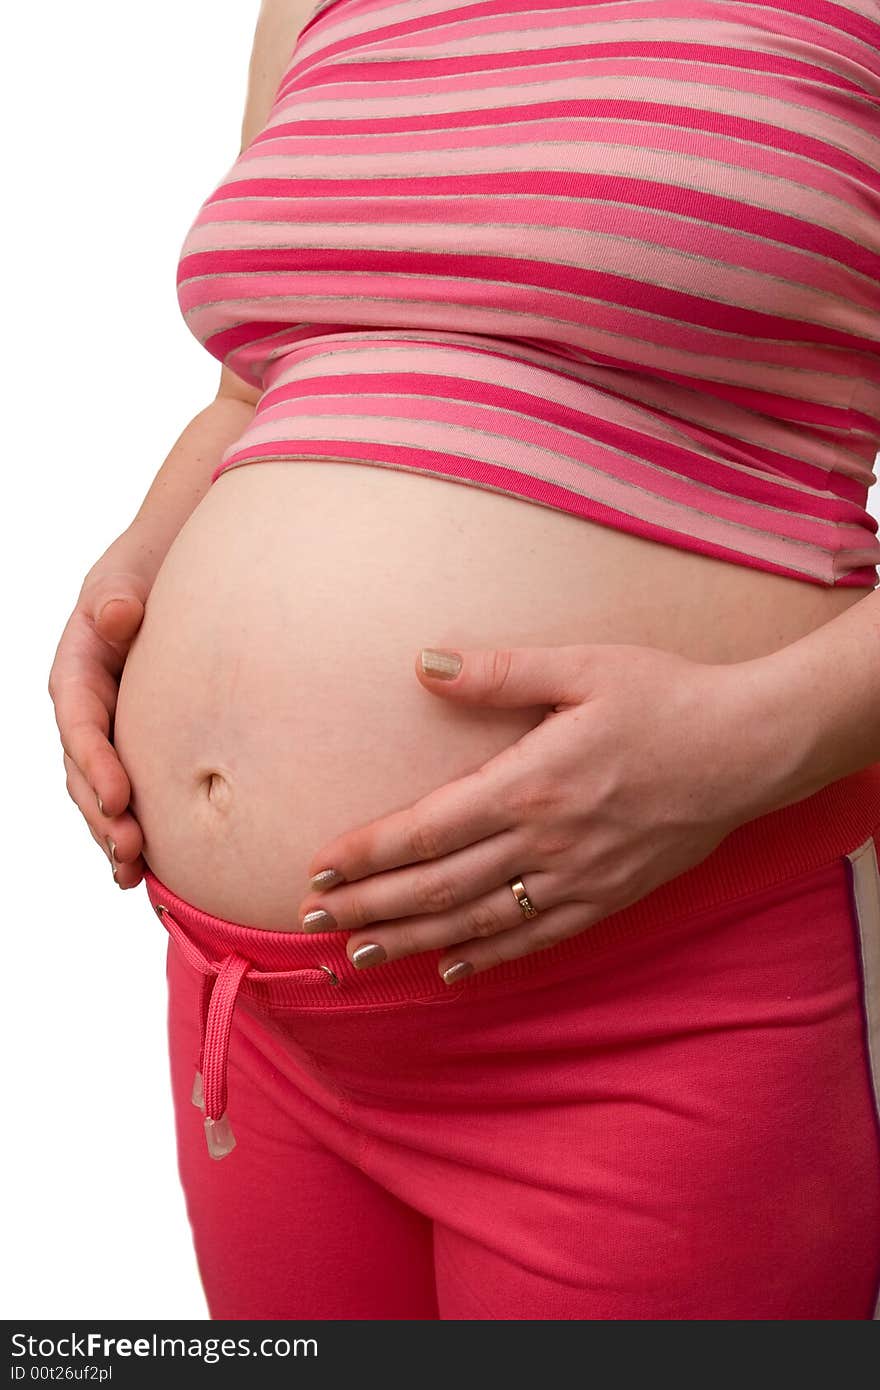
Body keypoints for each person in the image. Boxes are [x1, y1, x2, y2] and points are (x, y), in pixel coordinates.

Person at [48, 0, 880, 1319]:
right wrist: (143, 562)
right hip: (261, 1026)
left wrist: (745, 740)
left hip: (652, 1003)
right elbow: (257, 389)